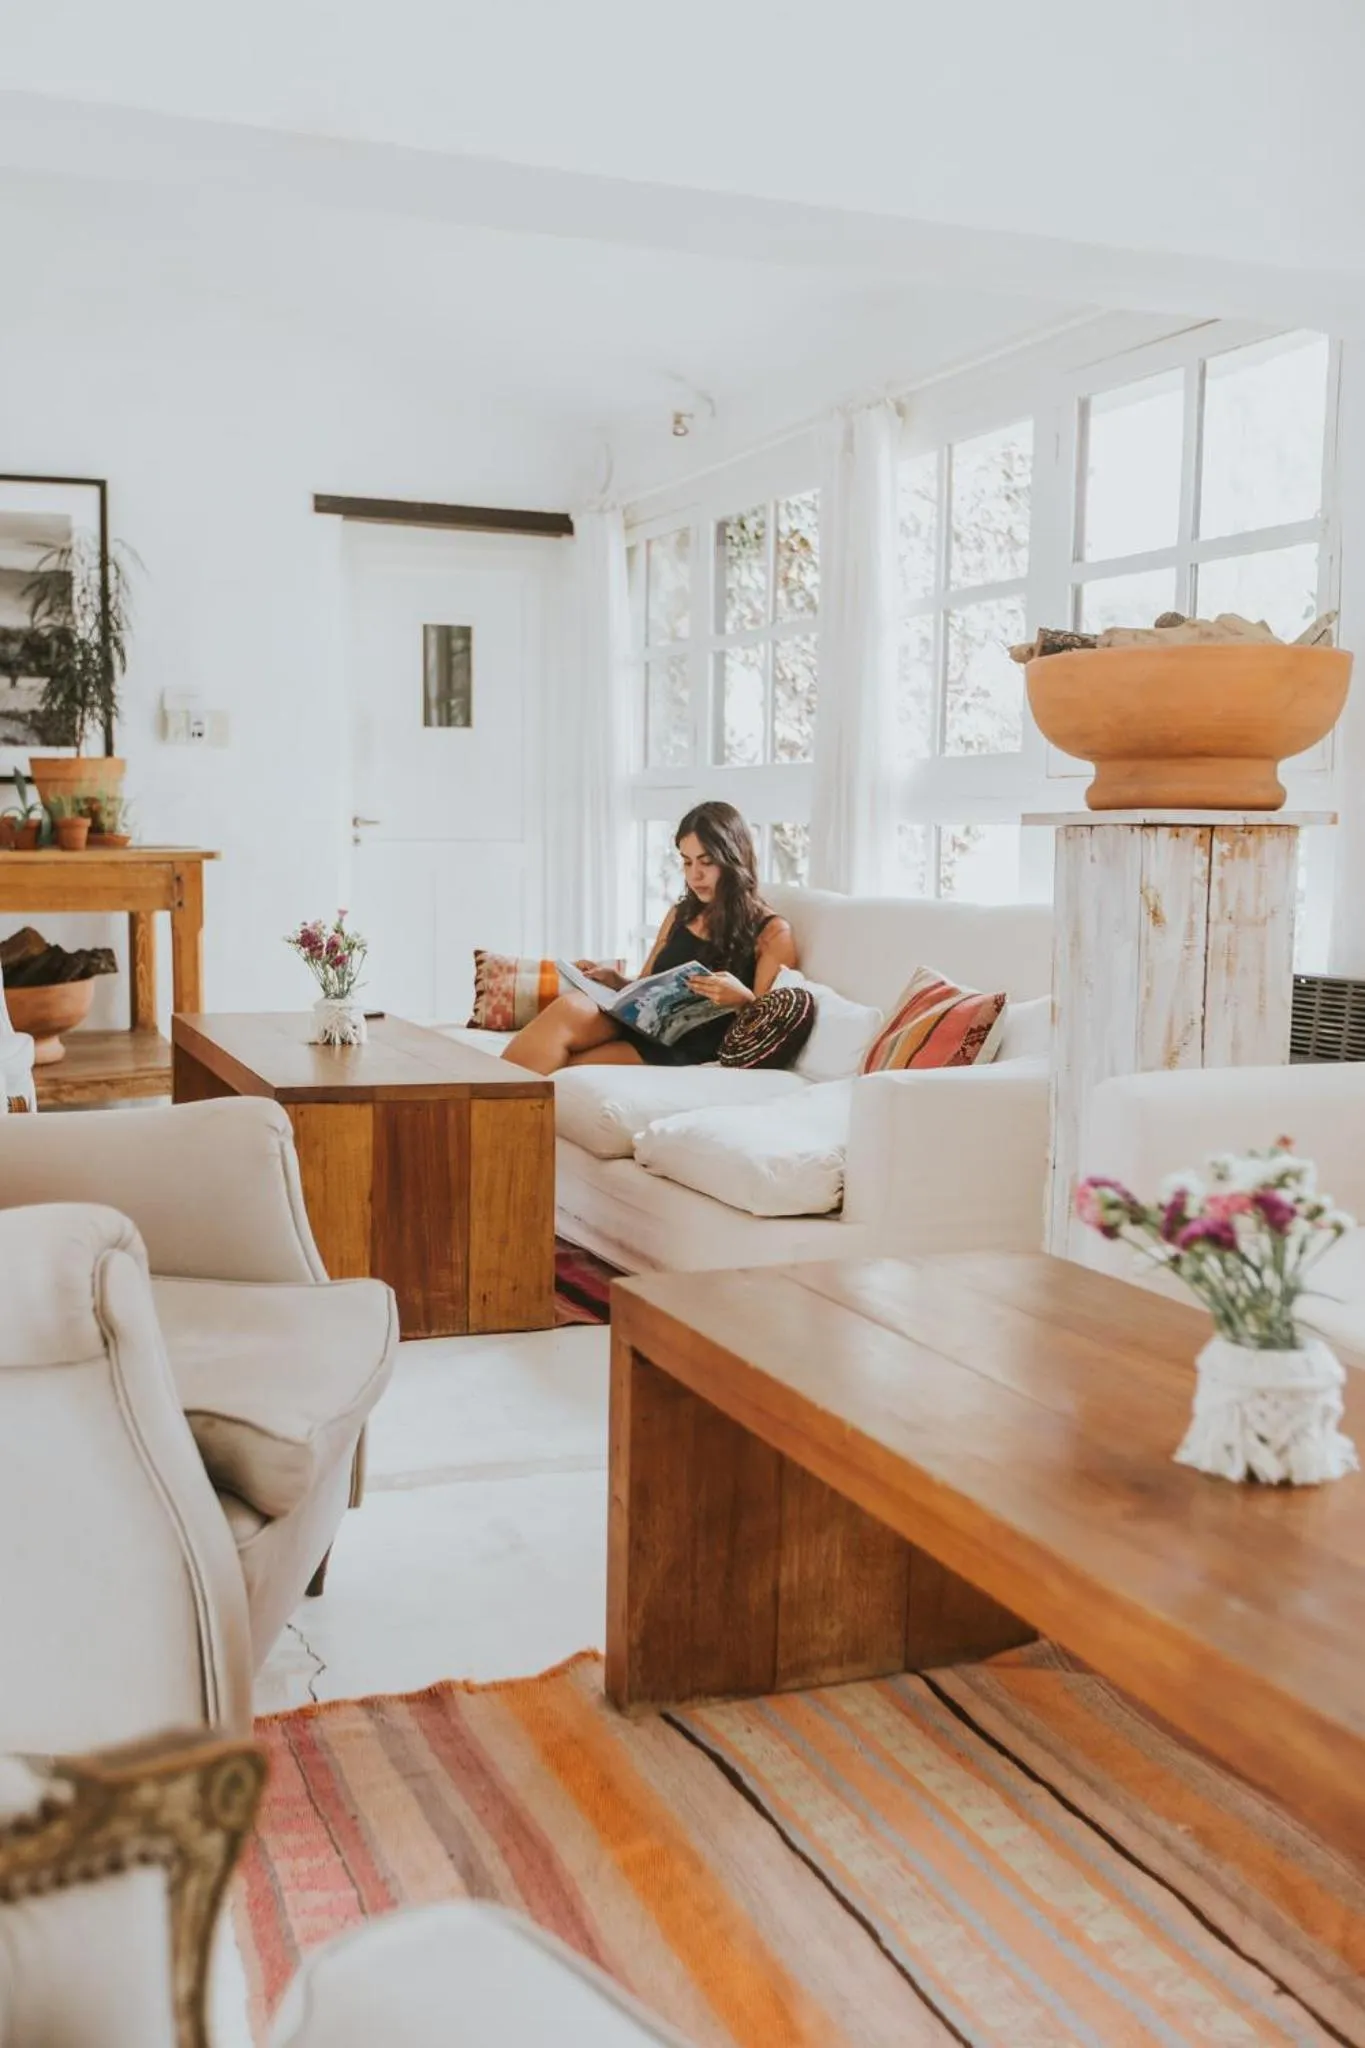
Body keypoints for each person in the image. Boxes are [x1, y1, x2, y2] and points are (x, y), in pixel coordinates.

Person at [503, 801, 797, 1074]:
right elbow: (645, 984)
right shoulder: (681, 914)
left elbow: (769, 1030)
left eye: (705, 862)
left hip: (687, 1044)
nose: (694, 875)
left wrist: (743, 999)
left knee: (565, 1065)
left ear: (734, 859)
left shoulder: (772, 933)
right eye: (686, 862)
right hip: (645, 1024)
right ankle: (479, 1104)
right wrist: (617, 982)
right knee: (569, 1006)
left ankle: (493, 1114)